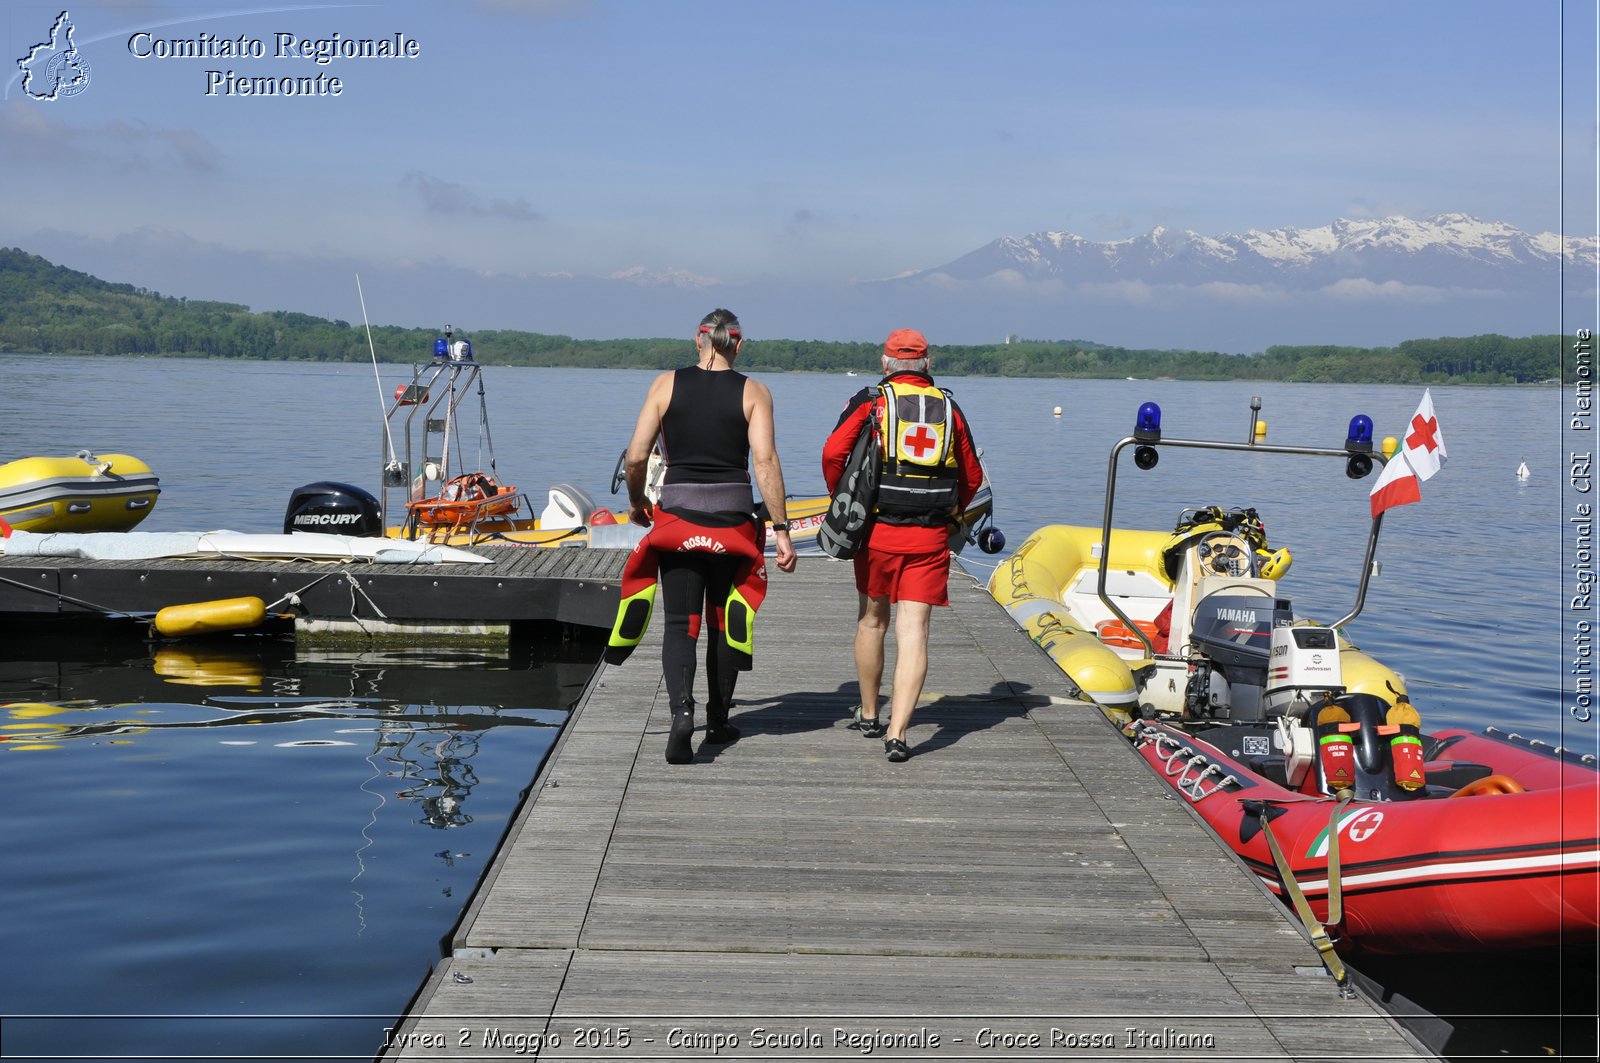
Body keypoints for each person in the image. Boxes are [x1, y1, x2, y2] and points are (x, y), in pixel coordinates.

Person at [613, 309, 797, 764]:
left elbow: (636, 457)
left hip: (677, 521)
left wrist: (637, 503)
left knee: (680, 624)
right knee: (723, 619)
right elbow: (766, 463)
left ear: (698, 341)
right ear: (738, 344)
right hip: (732, 523)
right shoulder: (754, 392)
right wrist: (782, 530)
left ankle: (681, 712)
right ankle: (717, 720)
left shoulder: (664, 384)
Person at [821, 328, 983, 762]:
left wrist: (846, 497)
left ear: (885, 363)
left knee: (872, 621)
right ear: (927, 364)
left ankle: (871, 714)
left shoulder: (871, 402)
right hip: (929, 536)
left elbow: (833, 454)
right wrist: (950, 514)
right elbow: (972, 479)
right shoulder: (950, 408)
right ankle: (898, 733)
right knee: (915, 632)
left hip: (876, 533)